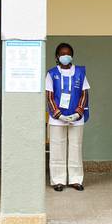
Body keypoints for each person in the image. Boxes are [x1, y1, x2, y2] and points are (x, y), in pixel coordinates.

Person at [46, 42, 90, 192]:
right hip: (56, 119)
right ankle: (58, 180)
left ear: (72, 56)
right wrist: (59, 115)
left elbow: (84, 94)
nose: (66, 56)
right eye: (62, 54)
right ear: (57, 57)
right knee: (57, 148)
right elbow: (50, 96)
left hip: (77, 118)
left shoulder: (80, 72)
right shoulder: (52, 73)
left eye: (68, 53)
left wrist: (78, 112)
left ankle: (76, 180)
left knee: (75, 148)